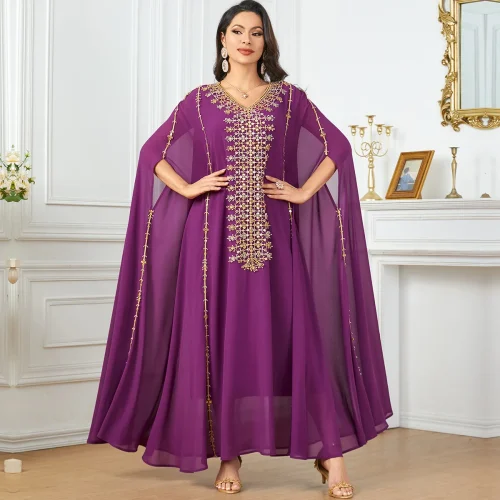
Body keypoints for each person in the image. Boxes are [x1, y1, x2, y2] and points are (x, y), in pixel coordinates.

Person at [87, 1, 393, 498]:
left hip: (277, 240)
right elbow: (151, 154)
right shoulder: (198, 102)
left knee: (301, 341)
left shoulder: (289, 99)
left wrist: (302, 192)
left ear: (266, 41)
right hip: (210, 244)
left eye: (256, 32)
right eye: (237, 31)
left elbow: (337, 147)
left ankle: (331, 455)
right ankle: (229, 457)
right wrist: (188, 188)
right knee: (220, 344)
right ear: (223, 40)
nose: (246, 39)